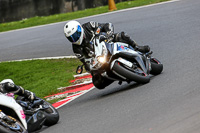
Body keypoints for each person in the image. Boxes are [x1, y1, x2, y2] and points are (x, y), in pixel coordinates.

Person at [63, 20, 150, 89]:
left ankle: (137, 48)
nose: (75, 38)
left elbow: (106, 25)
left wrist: (109, 33)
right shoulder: (76, 49)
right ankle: (120, 75)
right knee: (97, 83)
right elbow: (85, 62)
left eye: (76, 35)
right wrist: (90, 66)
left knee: (122, 35)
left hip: (106, 42)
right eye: (71, 38)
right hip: (100, 59)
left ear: (80, 29)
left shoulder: (89, 26)